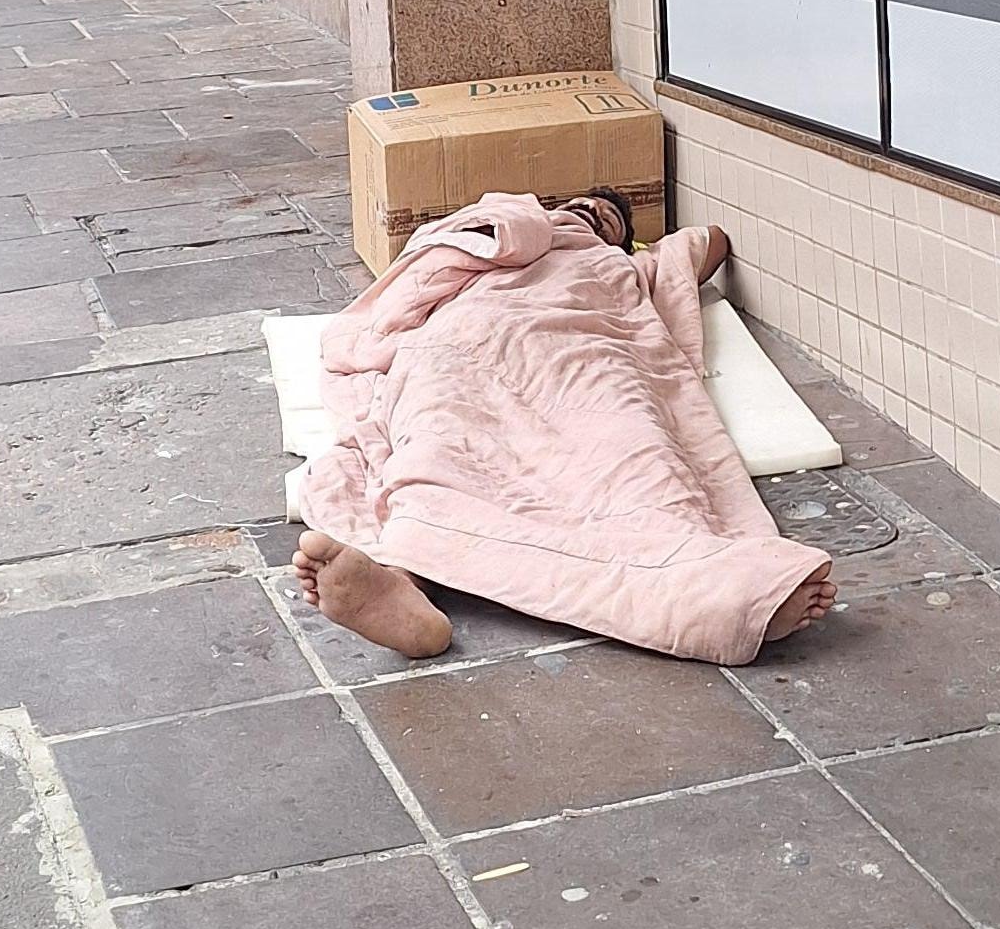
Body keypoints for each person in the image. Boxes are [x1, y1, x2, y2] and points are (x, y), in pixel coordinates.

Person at [294, 187, 835, 664]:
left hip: (584, 347)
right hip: (469, 337)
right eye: (585, 206)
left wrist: (621, 246)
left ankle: (722, 588)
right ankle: (402, 584)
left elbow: (709, 241)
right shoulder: (501, 232)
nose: (592, 215)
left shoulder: (624, 267)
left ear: (625, 241)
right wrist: (536, 221)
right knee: (440, 438)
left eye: (608, 217)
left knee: (634, 449)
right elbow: (420, 279)